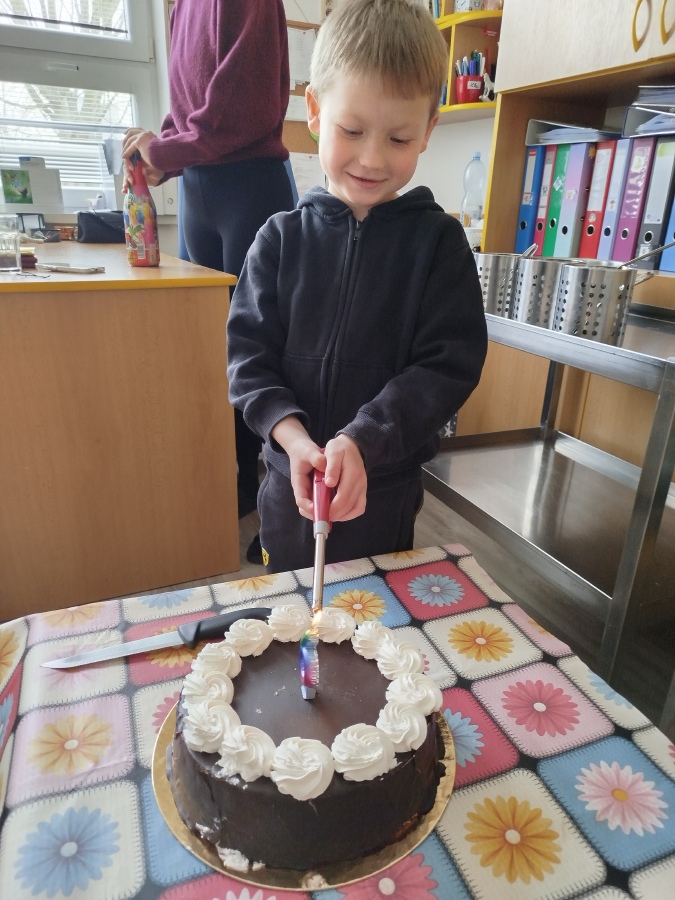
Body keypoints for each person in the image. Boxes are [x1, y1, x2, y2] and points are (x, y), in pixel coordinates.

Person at [226, 0, 488, 574]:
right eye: (352, 130)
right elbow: (248, 361)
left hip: (384, 497)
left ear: (428, 131)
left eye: (398, 138)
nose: (372, 158)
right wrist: (293, 439)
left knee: (374, 615)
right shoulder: (278, 239)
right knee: (291, 607)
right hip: (288, 488)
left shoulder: (439, 246)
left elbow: (446, 367)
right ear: (315, 111)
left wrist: (364, 441)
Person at [122, 0, 296, 564]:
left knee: (266, 348)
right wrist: (162, 155)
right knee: (215, 351)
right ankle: (240, 485)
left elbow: (240, 106)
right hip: (198, 190)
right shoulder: (180, 7)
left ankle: (281, 501)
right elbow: (189, 112)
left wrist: (165, 149)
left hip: (251, 186)